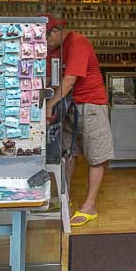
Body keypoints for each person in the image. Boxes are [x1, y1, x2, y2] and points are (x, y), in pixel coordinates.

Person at [45, 16, 113, 228]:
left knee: (96, 155)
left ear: (56, 31)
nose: (44, 43)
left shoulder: (78, 43)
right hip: (69, 105)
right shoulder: (55, 49)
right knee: (67, 153)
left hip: (91, 105)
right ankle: (66, 198)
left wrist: (50, 105)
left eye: (46, 37)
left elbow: (70, 78)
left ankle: (89, 206)